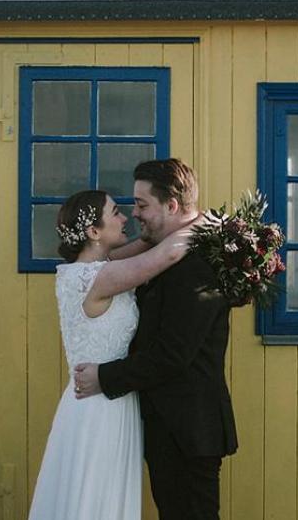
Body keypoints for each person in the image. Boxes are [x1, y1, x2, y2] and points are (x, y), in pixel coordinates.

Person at [73, 158, 238, 520]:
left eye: (142, 204)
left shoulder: (196, 265)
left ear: (172, 205)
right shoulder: (163, 253)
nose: (135, 214)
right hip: (171, 426)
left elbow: (172, 353)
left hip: (189, 429)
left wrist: (104, 377)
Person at [27, 188, 194, 520]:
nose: (125, 217)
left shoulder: (95, 268)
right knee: (95, 496)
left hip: (109, 397)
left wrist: (165, 223)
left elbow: (147, 244)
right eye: (116, 212)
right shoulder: (97, 278)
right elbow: (168, 254)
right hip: (100, 406)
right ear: (93, 232)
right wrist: (205, 222)